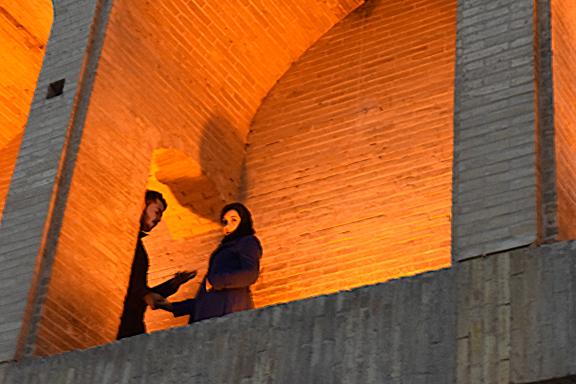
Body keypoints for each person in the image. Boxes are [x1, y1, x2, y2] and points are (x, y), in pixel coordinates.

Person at [162, 202, 262, 323]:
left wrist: (215, 282)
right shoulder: (225, 248)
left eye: (234, 220)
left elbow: (250, 274)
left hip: (229, 312)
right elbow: (204, 299)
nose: (228, 226)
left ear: (243, 221)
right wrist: (171, 307)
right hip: (212, 315)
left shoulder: (247, 241)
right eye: (224, 222)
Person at [116, 190, 197, 339]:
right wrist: (147, 295)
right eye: (157, 212)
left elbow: (140, 291)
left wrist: (173, 284)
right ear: (142, 205)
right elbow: (137, 290)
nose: (158, 219)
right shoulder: (126, 242)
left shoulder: (137, 246)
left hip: (131, 321)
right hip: (119, 320)